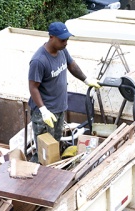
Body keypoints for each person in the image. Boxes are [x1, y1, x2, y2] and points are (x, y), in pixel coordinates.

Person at [28, 21, 101, 153]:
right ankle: (41, 171)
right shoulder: (39, 61)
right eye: (62, 40)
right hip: (45, 113)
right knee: (45, 152)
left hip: (59, 108)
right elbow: (33, 87)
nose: (66, 42)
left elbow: (71, 65)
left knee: (55, 145)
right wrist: (43, 110)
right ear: (51, 37)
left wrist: (86, 79)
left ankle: (54, 169)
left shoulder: (62, 50)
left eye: (67, 39)